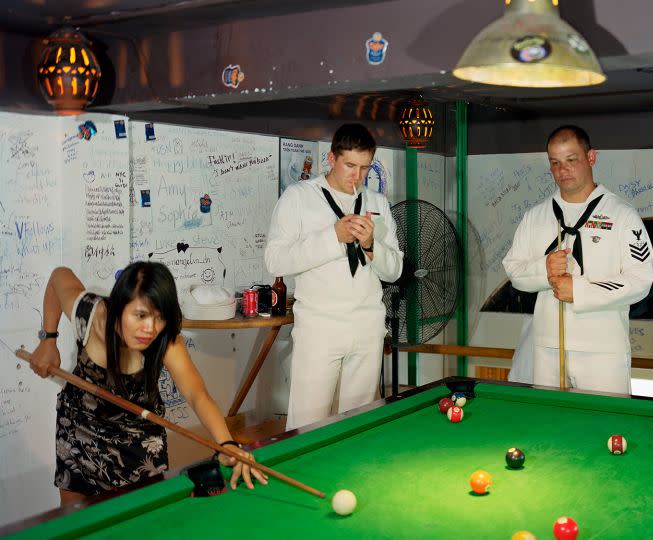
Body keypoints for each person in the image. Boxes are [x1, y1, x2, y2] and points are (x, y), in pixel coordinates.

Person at [27, 262, 266, 506]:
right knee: (74, 521)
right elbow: (59, 276)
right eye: (140, 315)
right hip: (79, 428)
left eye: (159, 317)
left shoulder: (165, 341)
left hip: (138, 443)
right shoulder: (89, 314)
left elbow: (197, 394)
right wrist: (48, 340)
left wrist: (226, 444)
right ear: (118, 307)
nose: (150, 328)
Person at [265, 123, 402, 430]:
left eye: (365, 167)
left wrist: (370, 245)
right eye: (350, 165)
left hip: (367, 326)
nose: (357, 176)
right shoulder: (299, 197)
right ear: (331, 158)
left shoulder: (377, 203)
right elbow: (276, 260)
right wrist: (333, 237)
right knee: (308, 421)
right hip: (319, 328)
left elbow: (395, 270)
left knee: (362, 423)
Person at [503, 125, 653, 394]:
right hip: (548, 348)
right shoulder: (535, 217)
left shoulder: (622, 215)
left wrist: (580, 291)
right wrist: (544, 270)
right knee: (550, 428)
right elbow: (514, 271)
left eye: (571, 160)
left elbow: (640, 280)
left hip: (603, 349)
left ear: (591, 157)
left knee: (607, 428)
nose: (563, 171)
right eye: (555, 163)